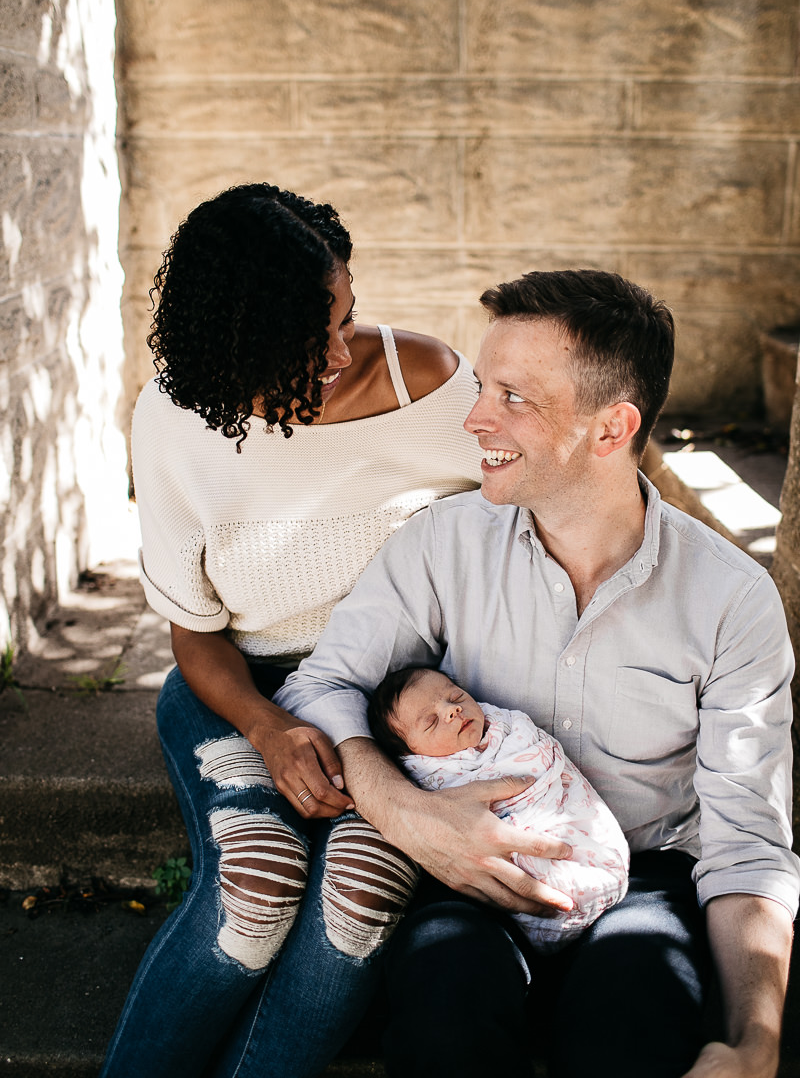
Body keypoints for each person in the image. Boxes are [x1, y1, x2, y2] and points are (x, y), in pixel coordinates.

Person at [275, 269, 800, 1078]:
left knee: (633, 1035)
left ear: (611, 427)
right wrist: (405, 810)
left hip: (644, 876)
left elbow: (747, 849)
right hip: (471, 864)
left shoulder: (731, 599)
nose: (474, 418)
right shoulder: (442, 545)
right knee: (441, 1021)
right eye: (484, 387)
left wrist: (756, 1042)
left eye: (514, 397)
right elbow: (319, 689)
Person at [100, 182, 481, 1078]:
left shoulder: (426, 383)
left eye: (346, 317)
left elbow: (545, 510)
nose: (342, 351)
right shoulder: (174, 421)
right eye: (311, 337)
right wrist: (268, 729)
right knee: (257, 889)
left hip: (396, 705)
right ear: (236, 342)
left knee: (360, 896)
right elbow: (195, 634)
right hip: (241, 688)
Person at [367, 665, 629, 951]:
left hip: (572, 823)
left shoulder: (510, 728)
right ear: (410, 754)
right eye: (431, 722)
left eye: (455, 697)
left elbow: (543, 759)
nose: (452, 710)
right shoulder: (431, 776)